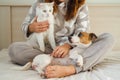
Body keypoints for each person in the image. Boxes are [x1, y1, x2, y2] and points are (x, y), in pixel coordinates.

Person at [8, 0, 114, 78]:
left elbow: (82, 31)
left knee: (108, 38)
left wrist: (67, 45)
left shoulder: (81, 5)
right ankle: (52, 62)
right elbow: (25, 26)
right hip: (46, 49)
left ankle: (71, 69)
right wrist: (31, 27)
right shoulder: (40, 4)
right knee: (14, 49)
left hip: (72, 49)